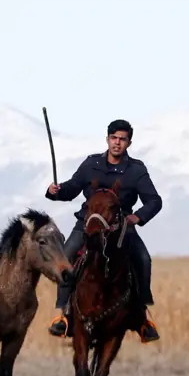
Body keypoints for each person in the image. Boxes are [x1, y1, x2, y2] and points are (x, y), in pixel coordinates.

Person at [44, 119, 162, 343]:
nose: (117, 143)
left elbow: (154, 201)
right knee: (67, 257)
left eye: (122, 139)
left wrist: (137, 217)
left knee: (143, 259)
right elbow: (71, 188)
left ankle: (143, 317)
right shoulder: (91, 164)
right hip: (88, 225)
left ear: (128, 142)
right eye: (114, 138)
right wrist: (55, 191)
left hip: (121, 227)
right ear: (107, 139)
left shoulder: (136, 170)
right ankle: (63, 315)